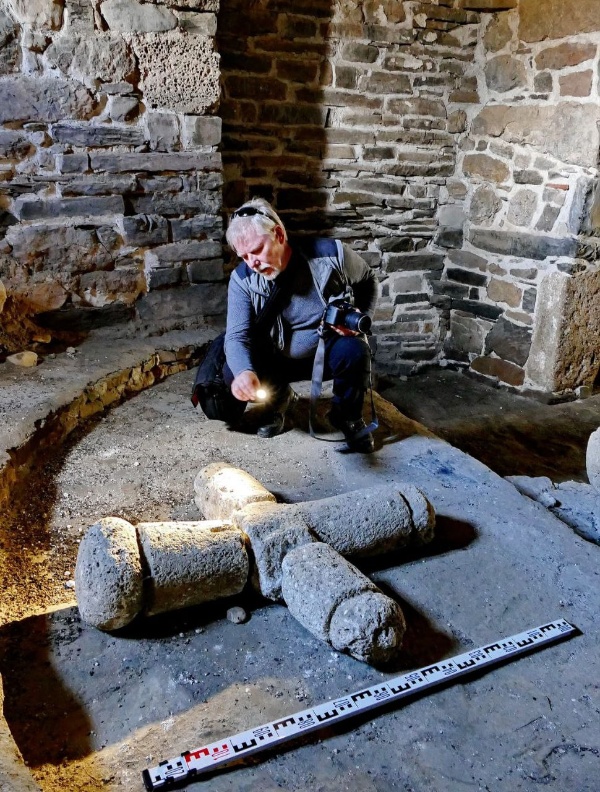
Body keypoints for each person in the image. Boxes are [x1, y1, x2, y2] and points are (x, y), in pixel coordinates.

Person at [223, 198, 378, 453]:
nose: (252, 263)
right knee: (234, 369)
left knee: (355, 350)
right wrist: (244, 372)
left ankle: (346, 415)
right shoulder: (242, 279)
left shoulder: (332, 255)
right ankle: (278, 400)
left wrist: (360, 318)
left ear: (279, 234)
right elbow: (236, 336)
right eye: (244, 256)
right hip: (279, 358)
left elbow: (368, 280)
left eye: (257, 250)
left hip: (326, 351)